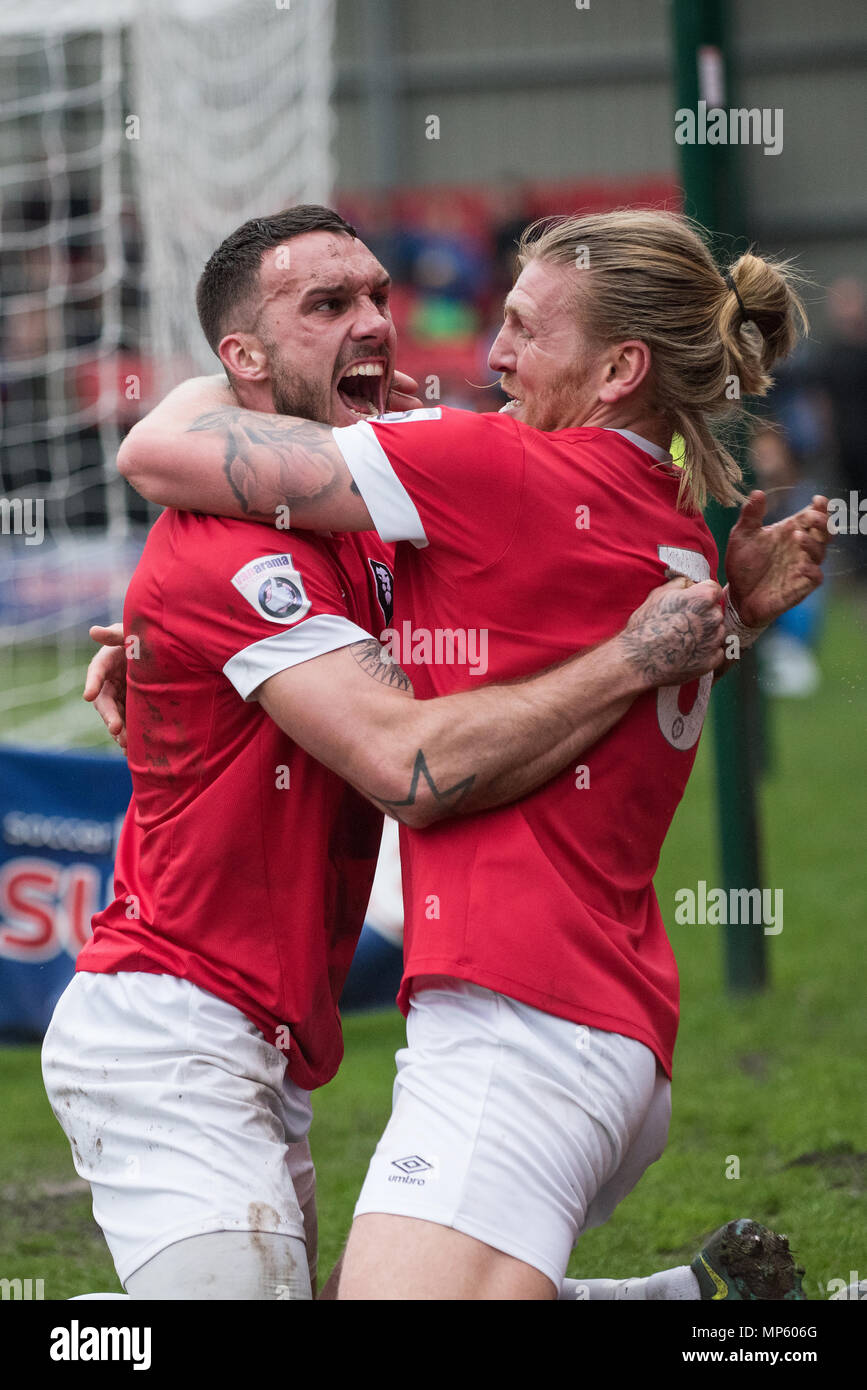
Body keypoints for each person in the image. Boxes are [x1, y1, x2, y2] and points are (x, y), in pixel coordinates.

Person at [117, 207, 829, 1300]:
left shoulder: (489, 465)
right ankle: (691, 1304)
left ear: (619, 367)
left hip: (523, 1021)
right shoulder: (680, 520)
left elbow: (155, 454)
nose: (489, 356)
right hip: (605, 1024)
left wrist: (249, 373)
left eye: (527, 330)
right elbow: (593, 663)